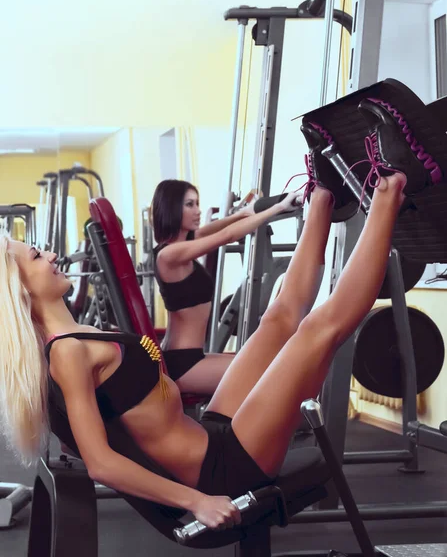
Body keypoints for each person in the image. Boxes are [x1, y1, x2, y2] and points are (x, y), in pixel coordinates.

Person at [0, 140, 430, 532]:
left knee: (278, 317)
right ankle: (390, 191)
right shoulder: (66, 354)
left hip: (213, 431)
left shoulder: (77, 333)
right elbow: (100, 464)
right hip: (224, 469)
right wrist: (198, 501)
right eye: (37, 256)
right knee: (317, 329)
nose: (53, 255)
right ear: (21, 288)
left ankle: (322, 196)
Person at [150, 179, 298, 394]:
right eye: (189, 204)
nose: (198, 211)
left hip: (191, 357)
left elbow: (213, 230)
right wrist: (277, 208)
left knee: (268, 365)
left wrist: (243, 213)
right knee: (271, 375)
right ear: (172, 208)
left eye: (197, 203)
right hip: (183, 365)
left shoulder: (177, 246)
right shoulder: (169, 255)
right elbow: (226, 236)